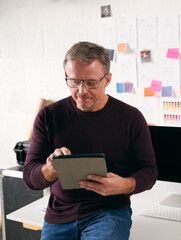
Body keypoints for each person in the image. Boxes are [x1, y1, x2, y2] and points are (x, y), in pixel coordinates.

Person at [23, 41, 158, 240]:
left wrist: (124, 185)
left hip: (109, 211)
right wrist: (50, 169)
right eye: (74, 81)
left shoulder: (131, 118)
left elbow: (149, 171)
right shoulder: (48, 116)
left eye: (91, 82)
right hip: (60, 214)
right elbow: (29, 177)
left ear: (107, 79)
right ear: (66, 77)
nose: (82, 90)